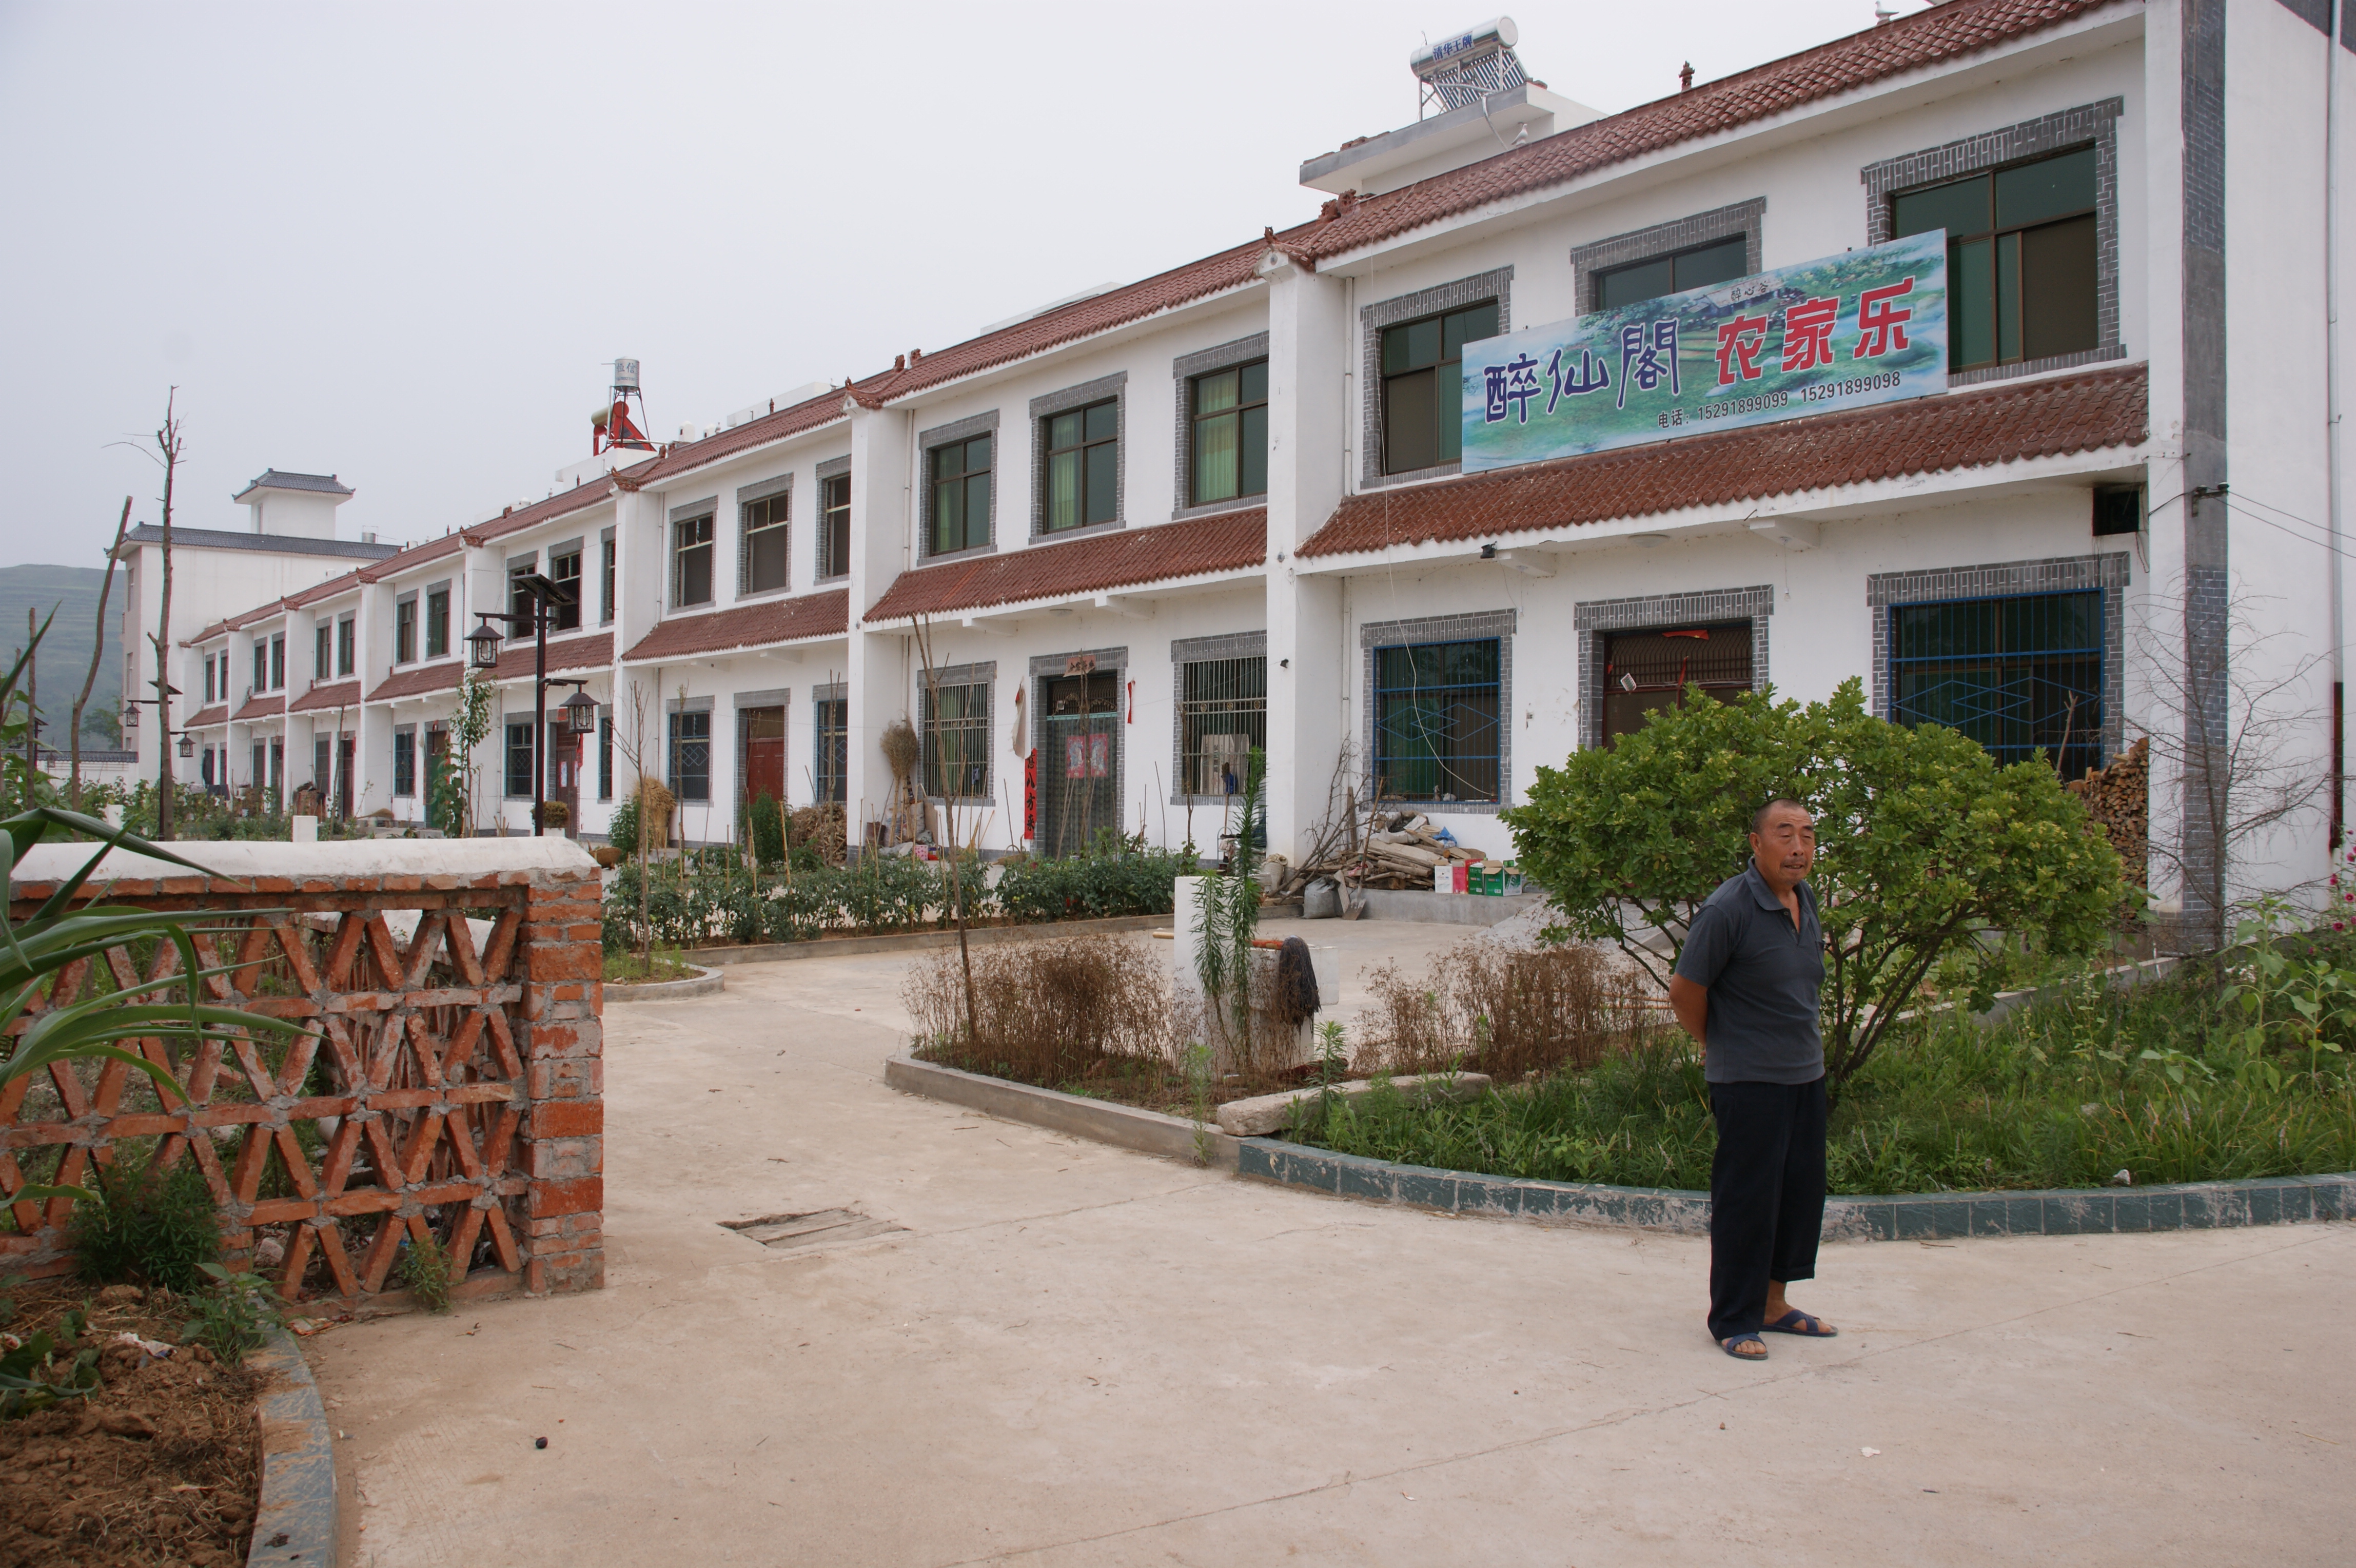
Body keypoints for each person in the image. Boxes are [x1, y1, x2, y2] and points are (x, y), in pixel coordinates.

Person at [1666, 797, 1838, 1362]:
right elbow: (1684, 991)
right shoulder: (1728, 908)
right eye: (1784, 834)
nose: (1798, 847)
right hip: (1748, 1079)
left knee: (1798, 1194)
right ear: (1756, 843)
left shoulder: (1803, 897)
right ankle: (1734, 1317)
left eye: (1807, 835)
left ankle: (1772, 1303)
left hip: (1804, 1073)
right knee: (1748, 1200)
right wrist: (1720, 1044)